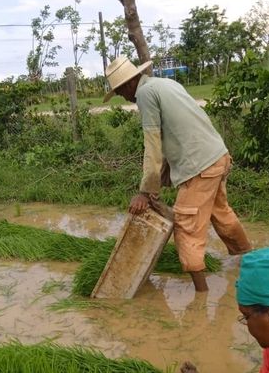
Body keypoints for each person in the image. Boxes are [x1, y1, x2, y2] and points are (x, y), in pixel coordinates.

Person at [103, 55, 251, 292]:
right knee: (221, 213)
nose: (124, 97)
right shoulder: (165, 84)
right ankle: (250, 263)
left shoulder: (144, 95)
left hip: (200, 166)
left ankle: (201, 295)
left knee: (185, 225)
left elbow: (152, 146)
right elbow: (177, 133)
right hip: (217, 156)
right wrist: (158, 184)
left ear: (128, 84)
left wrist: (144, 192)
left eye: (120, 92)